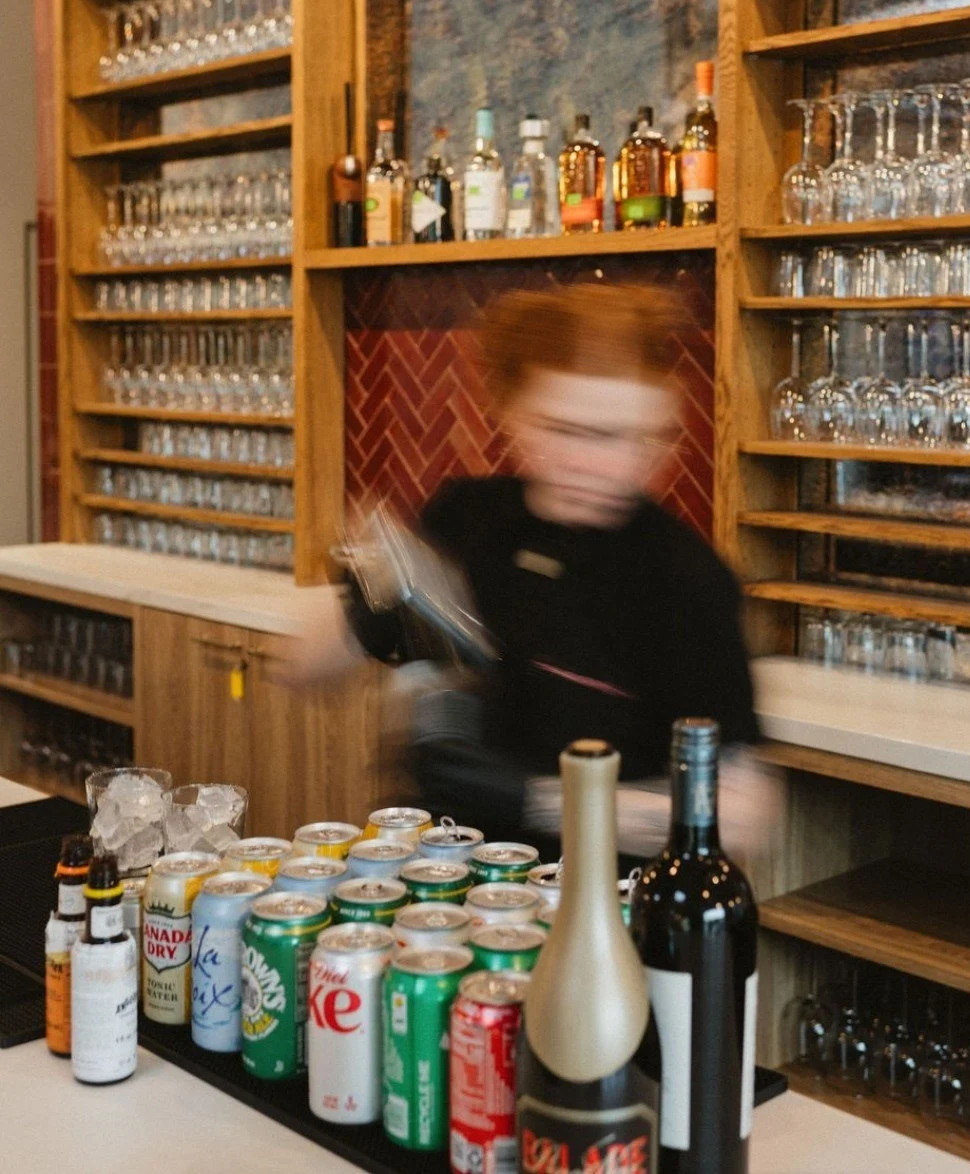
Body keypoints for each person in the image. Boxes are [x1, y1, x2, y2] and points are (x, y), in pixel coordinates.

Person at [289, 283, 779, 860]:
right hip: (443, 885)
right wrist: (363, 593)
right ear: (511, 413)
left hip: (595, 904)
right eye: (560, 429)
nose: (591, 461)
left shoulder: (686, 579)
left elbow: (747, 816)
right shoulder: (468, 518)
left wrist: (538, 800)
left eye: (622, 437)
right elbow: (301, 669)